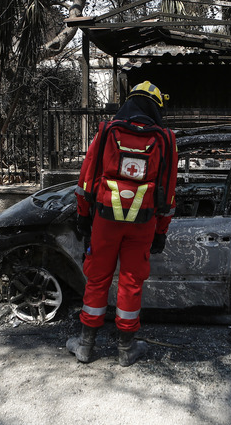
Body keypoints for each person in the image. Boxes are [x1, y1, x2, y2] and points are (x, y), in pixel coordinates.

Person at [66, 81, 179, 367]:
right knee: (131, 280)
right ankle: (126, 349)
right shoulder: (165, 138)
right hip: (143, 223)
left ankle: (85, 345)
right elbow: (168, 190)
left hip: (105, 220)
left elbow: (86, 179)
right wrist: (161, 231)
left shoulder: (107, 131)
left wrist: (82, 215)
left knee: (98, 277)